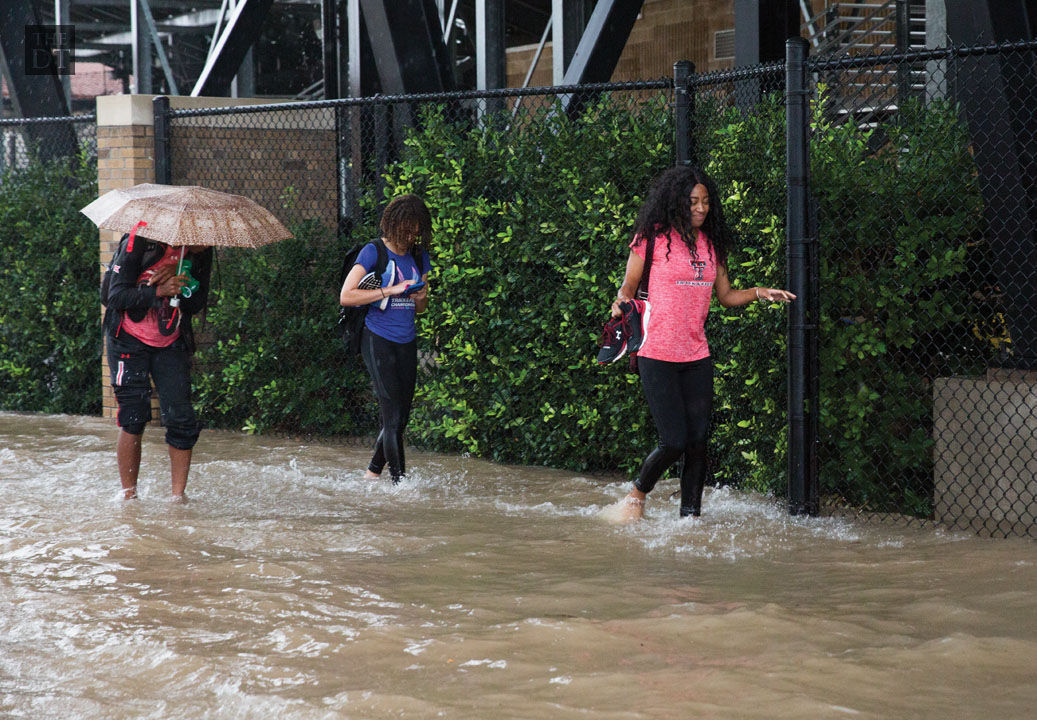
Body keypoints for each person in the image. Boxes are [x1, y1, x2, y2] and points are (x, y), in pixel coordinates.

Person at [610, 165, 794, 521]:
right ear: (676, 201)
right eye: (693, 201)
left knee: (697, 443)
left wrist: (759, 293)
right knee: (673, 441)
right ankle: (636, 495)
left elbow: (725, 296)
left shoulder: (712, 244)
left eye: (706, 202)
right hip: (657, 353)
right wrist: (619, 303)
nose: (701, 208)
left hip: (696, 355)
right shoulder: (651, 238)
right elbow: (628, 288)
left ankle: (690, 520)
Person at [103, 226, 213, 502]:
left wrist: (182, 280)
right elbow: (113, 296)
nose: (208, 243)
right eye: (205, 237)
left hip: (171, 340)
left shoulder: (201, 252)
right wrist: (157, 291)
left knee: (181, 418)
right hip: (128, 339)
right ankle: (129, 497)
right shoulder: (139, 242)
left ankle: (178, 498)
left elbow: (196, 302)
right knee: (133, 416)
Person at [339, 194, 432, 484]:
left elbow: (421, 307)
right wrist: (390, 290)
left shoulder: (419, 256)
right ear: (393, 224)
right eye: (407, 230)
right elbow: (346, 296)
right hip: (377, 338)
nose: (411, 236)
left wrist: (419, 296)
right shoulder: (372, 252)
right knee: (391, 419)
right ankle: (401, 486)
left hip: (407, 341)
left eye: (417, 231)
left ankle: (371, 474)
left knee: (400, 417)